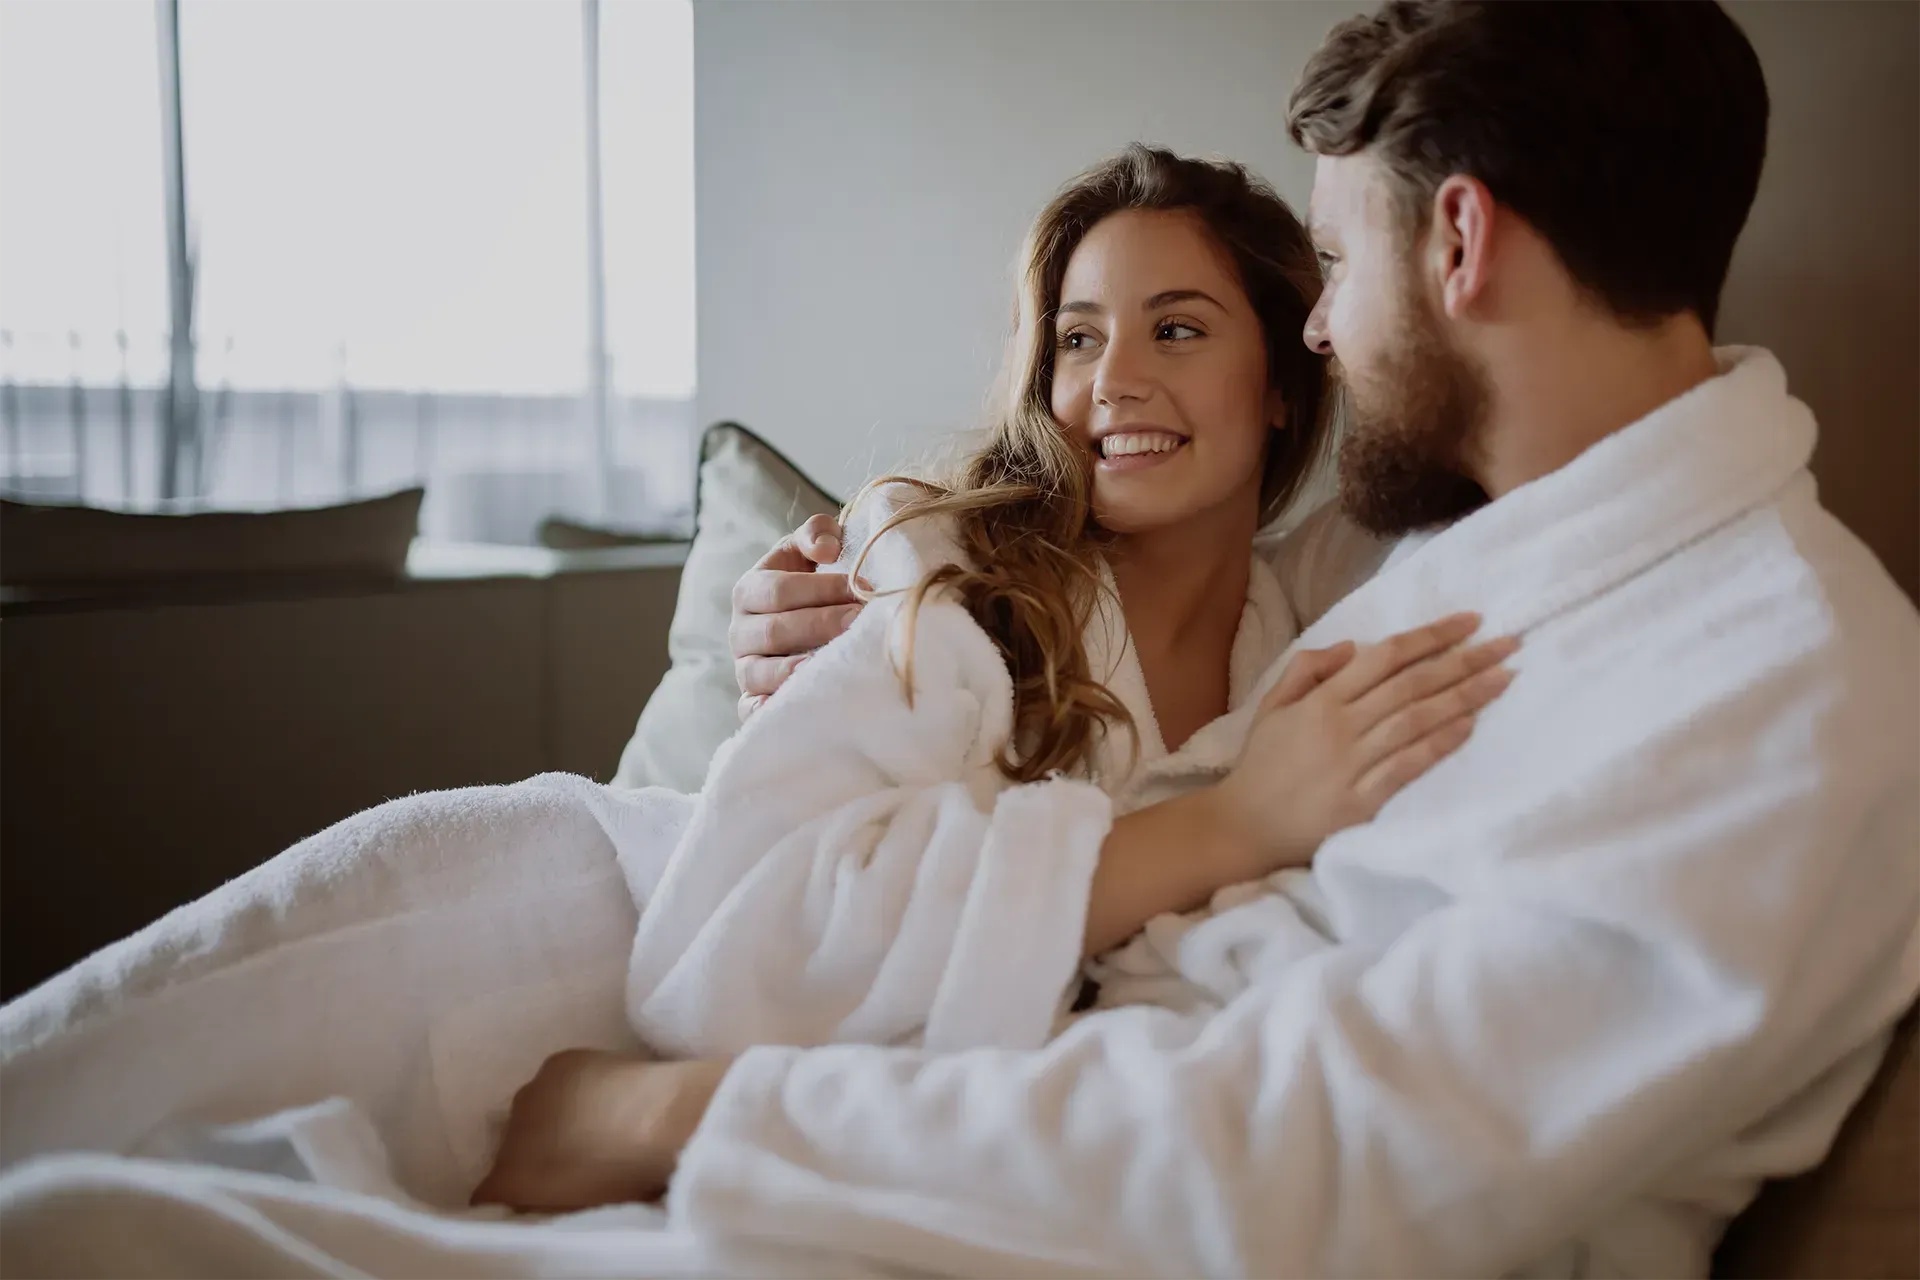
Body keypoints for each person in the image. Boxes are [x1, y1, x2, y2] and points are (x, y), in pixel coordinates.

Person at [474, 2, 1920, 1277]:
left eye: (1339, 263)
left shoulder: (1785, 698)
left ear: (1461, 241)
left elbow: (1305, 1172)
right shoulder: (1531, 550)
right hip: (984, 1087)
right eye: (1081, 337)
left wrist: (686, 1115)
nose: (1326, 336)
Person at [599, 145, 1517, 1073]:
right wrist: (1234, 822)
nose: (1113, 380)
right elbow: (747, 954)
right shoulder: (935, 570)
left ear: (1282, 383)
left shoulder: (1322, 603)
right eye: (1078, 338)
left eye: (1178, 331)